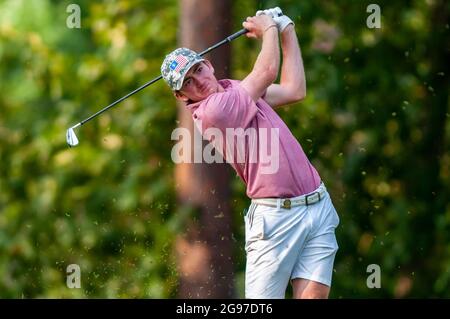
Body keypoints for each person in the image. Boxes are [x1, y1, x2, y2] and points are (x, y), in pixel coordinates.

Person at [161, 7, 340, 299]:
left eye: (198, 70)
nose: (199, 80)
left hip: (317, 206)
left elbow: (295, 90)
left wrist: (286, 30)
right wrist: (268, 28)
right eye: (188, 82)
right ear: (182, 96)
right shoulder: (213, 111)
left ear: (208, 64)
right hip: (275, 220)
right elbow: (267, 71)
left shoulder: (234, 90)